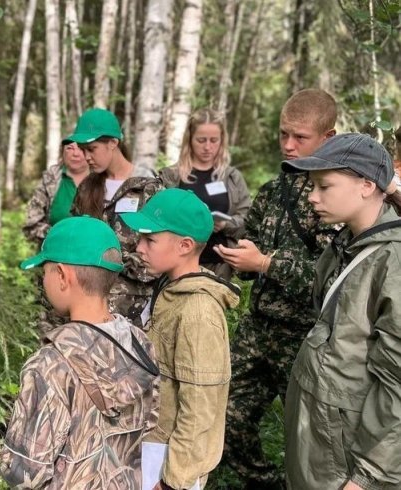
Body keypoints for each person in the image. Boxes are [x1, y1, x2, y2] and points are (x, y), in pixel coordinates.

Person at [213, 88, 339, 488]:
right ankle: (266, 482)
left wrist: (266, 263)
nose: (288, 145)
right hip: (258, 329)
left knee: (309, 440)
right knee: (225, 417)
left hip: (305, 337)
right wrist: (237, 254)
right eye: (283, 134)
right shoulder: (273, 190)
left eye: (300, 137)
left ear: (328, 137)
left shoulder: (339, 194)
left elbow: (332, 278)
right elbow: (252, 260)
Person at [0, 216, 160, 489]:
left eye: (45, 271)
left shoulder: (51, 364)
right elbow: (151, 420)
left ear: (62, 276)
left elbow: (25, 473)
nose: (43, 280)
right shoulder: (138, 344)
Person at [280, 133, 401, 489]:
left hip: (349, 460)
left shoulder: (391, 262)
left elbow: (396, 386)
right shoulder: (344, 244)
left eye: (324, 186)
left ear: (366, 186)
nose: (313, 197)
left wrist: (367, 478)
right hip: (321, 443)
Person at [122, 189, 240, 489]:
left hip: (170, 461)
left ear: (185, 245)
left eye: (150, 239)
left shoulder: (198, 311)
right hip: (153, 446)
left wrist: (174, 480)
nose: (140, 247)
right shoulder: (170, 289)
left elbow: (201, 408)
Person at [68, 108, 163, 325]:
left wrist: (112, 262)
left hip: (133, 306)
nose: (87, 157)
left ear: (113, 142)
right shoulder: (86, 188)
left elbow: (160, 252)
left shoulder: (148, 188)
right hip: (87, 302)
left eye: (92, 149)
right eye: (83, 150)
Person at [159, 109, 250, 280]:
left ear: (222, 141)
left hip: (218, 266)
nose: (208, 147)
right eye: (201, 140)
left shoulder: (231, 177)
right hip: (177, 264)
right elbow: (158, 217)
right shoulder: (172, 176)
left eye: (214, 140)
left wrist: (226, 224)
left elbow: (248, 218)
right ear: (190, 140)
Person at [23, 141, 89, 246]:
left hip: (93, 255)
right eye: (69, 148)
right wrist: (57, 235)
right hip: (53, 252)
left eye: (81, 148)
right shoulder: (50, 178)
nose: (75, 153)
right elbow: (32, 223)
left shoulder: (102, 178)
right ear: (62, 152)